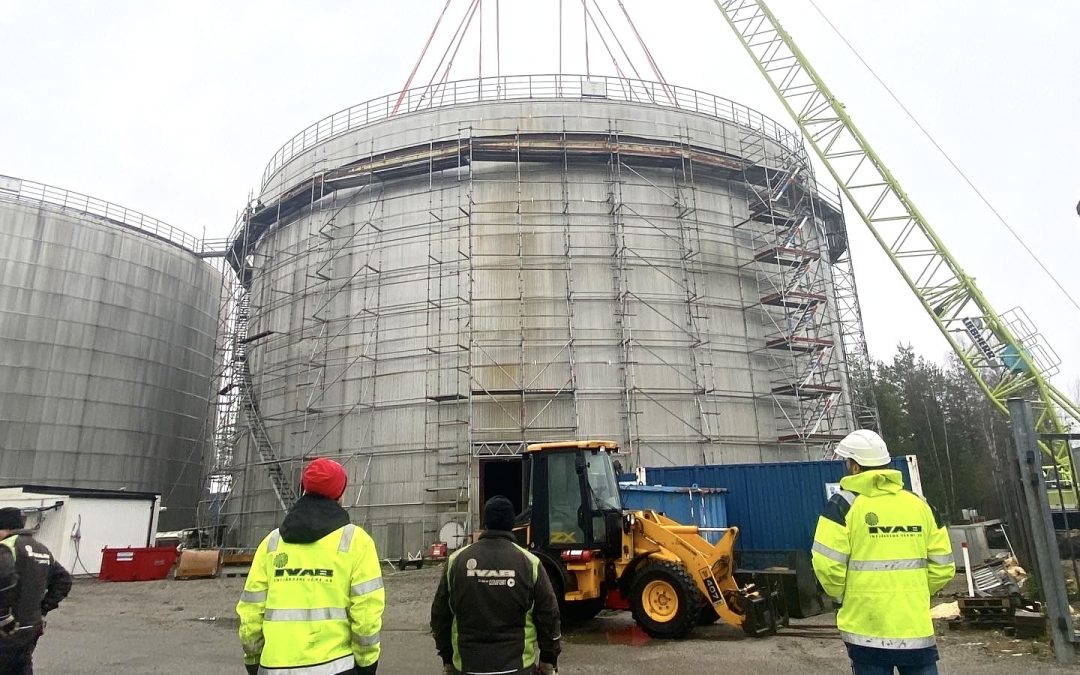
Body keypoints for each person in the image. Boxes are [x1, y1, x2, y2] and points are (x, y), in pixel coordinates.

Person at [811, 430, 956, 675]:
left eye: (848, 462)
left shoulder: (843, 505)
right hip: (914, 628)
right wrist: (914, 591)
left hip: (866, 629)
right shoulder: (920, 505)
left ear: (855, 467)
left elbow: (827, 566)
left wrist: (846, 596)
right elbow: (943, 566)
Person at [237, 458, 384, 675]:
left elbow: (251, 612)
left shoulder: (272, 543)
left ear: (304, 488)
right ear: (340, 494)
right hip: (336, 667)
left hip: (274, 667)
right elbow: (366, 615)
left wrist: (253, 659)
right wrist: (367, 663)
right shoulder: (356, 542)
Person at [431, 496, 561, 675]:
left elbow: (440, 617)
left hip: (468, 668)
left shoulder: (456, 562)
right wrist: (548, 661)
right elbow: (549, 616)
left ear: (485, 523)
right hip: (518, 668)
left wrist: (447, 659)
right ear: (511, 525)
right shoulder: (530, 563)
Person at [0, 506, 73, 674]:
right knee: (21, 668)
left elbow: (3, 581)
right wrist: (43, 608)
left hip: (6, 629)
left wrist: (3, 616)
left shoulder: (6, 547)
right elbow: (64, 580)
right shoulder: (41, 549)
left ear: (5, 529)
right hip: (30, 627)